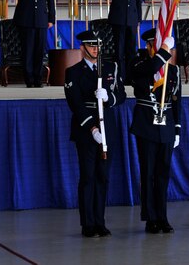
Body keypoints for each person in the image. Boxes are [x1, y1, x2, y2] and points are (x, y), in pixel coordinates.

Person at [64, 30, 126, 237]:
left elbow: (122, 95)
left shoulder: (110, 67)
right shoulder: (73, 71)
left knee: (103, 176)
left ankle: (100, 221)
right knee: (88, 176)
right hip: (86, 129)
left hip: (107, 127)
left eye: (97, 45)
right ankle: (88, 224)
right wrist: (92, 128)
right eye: (90, 46)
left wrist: (109, 97)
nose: (94, 49)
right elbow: (75, 103)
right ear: (82, 48)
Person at [129, 28, 181, 234]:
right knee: (149, 172)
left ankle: (162, 216)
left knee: (163, 174)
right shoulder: (138, 63)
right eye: (157, 45)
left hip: (166, 124)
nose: (162, 49)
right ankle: (151, 218)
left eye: (164, 45)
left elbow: (176, 100)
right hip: (146, 124)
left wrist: (177, 128)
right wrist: (165, 51)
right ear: (149, 46)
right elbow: (152, 67)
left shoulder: (173, 70)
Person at [7, 0, 55, 88]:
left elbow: (50, 2)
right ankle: (29, 80)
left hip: (41, 22)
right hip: (26, 22)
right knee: (28, 52)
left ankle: (38, 79)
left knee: (39, 51)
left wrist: (51, 19)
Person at [101, 0, 143, 80]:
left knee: (131, 50)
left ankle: (131, 77)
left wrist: (139, 19)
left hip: (132, 20)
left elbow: (138, 2)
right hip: (118, 20)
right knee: (119, 50)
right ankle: (120, 77)